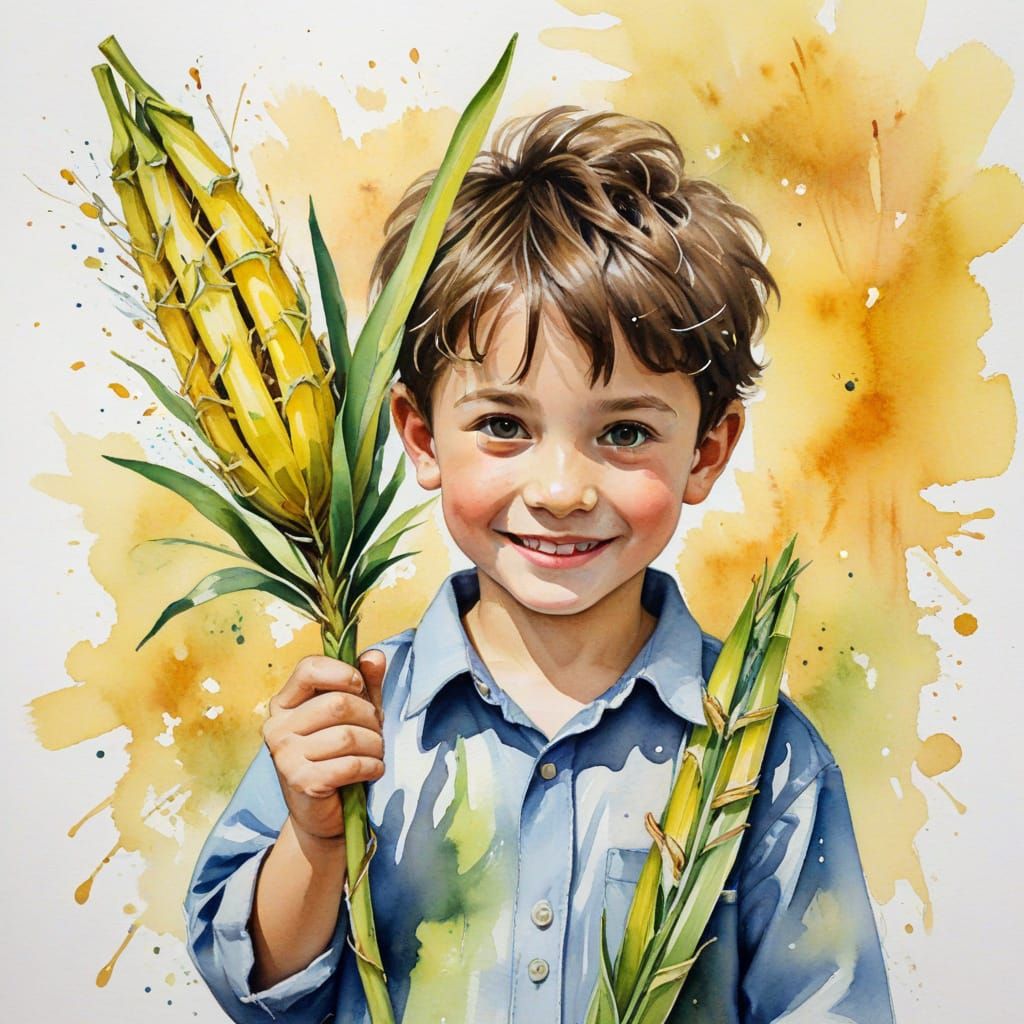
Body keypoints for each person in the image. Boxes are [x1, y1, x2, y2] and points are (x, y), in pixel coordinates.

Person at [183, 106, 894, 1023]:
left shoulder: (765, 755)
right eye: (505, 427)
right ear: (420, 433)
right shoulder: (359, 715)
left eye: (625, 432)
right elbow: (255, 990)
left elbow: (828, 1003)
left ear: (709, 452)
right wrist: (317, 842)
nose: (560, 488)